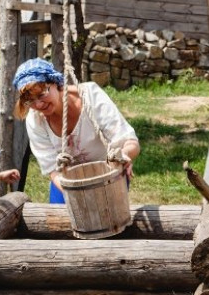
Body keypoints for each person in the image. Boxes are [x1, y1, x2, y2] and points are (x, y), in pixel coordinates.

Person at [13, 58, 140, 203]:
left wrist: (124, 156)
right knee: (62, 223)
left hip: (108, 176)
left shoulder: (90, 96)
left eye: (42, 94)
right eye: (30, 101)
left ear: (55, 83)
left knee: (110, 223)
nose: (38, 104)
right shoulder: (35, 121)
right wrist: (77, 193)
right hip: (66, 182)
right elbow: (53, 170)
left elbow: (130, 142)